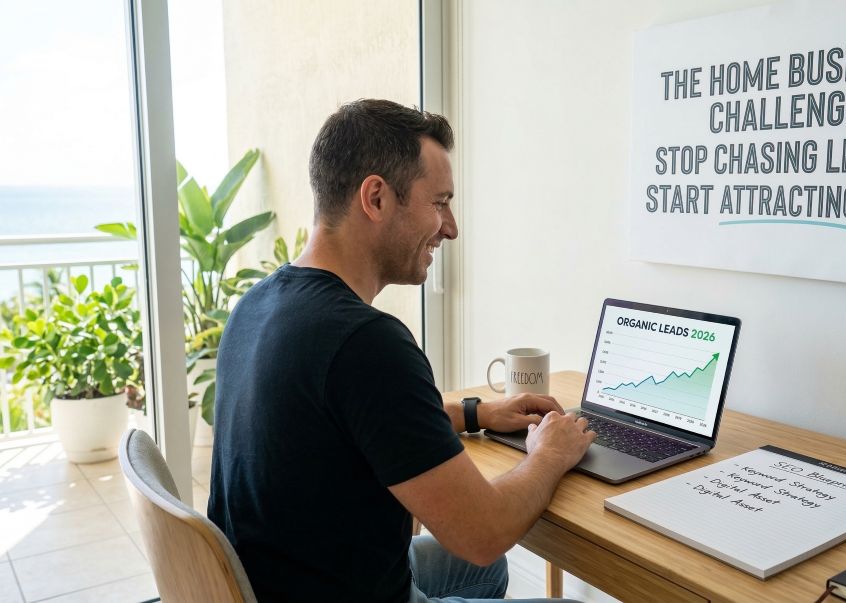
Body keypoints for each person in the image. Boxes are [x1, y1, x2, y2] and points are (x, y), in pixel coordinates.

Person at [208, 99, 596, 602]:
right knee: (487, 556)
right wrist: (548, 454)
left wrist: (476, 412)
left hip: (280, 579)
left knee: (484, 575)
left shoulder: (258, 306)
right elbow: (483, 532)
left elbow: (348, 424)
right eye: (439, 202)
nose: (451, 227)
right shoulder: (367, 343)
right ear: (376, 198)